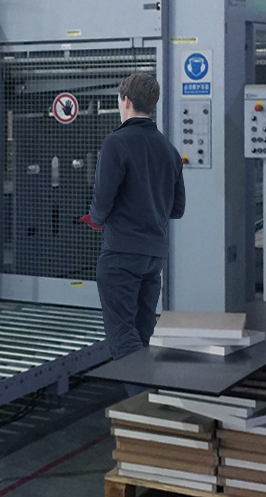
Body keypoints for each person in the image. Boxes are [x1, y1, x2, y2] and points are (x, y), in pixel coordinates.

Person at [80, 73, 185, 391]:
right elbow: (177, 209)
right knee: (143, 333)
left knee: (122, 337)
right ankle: (153, 401)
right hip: (154, 257)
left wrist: (96, 219)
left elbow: (102, 200)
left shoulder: (116, 143)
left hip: (121, 255)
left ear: (125, 100)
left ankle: (142, 408)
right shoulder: (169, 149)